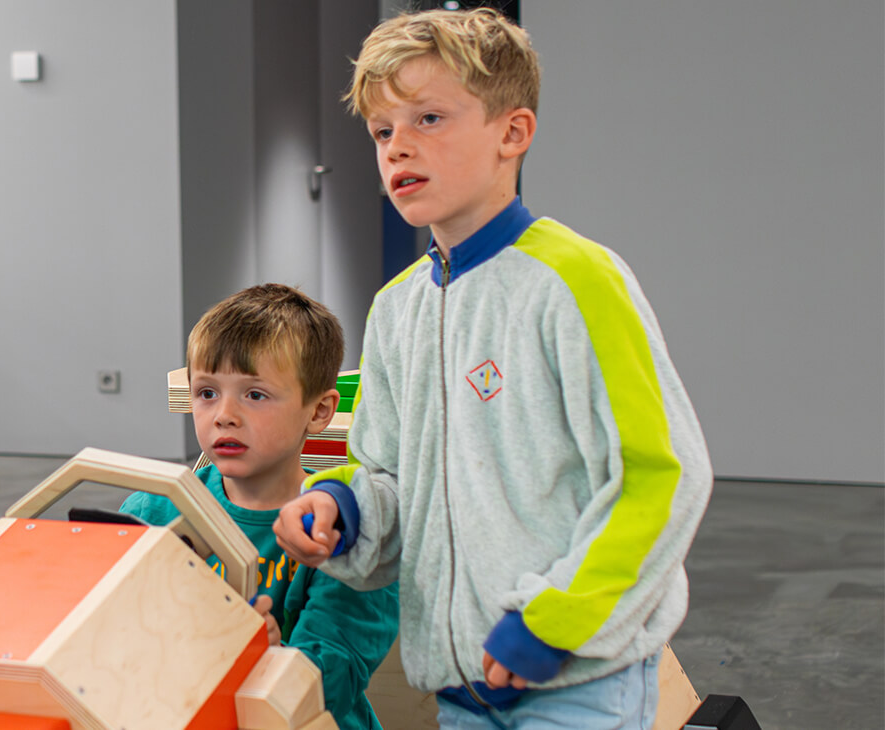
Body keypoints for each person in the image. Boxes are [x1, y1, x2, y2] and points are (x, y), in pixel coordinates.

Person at [273, 9, 713, 729]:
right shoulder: (396, 309)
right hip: (459, 685)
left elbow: (660, 475)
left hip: (576, 682)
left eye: (430, 119)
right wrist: (343, 512)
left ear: (512, 133)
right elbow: (384, 476)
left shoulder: (577, 280)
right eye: (383, 131)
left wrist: (553, 622)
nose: (398, 147)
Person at [120, 283, 399, 730]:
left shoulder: (345, 531)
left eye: (255, 395)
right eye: (207, 392)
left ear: (320, 410)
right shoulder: (153, 510)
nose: (223, 415)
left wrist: (267, 662)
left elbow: (335, 677)